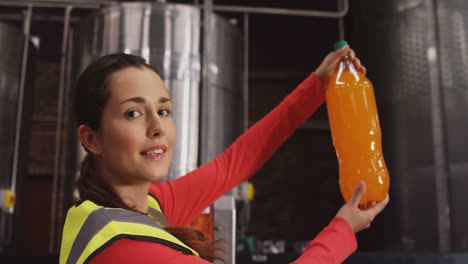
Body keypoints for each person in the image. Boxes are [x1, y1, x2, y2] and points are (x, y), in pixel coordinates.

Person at [59, 44, 389, 264]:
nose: (157, 127)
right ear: (92, 139)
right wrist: (343, 229)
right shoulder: (129, 249)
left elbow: (234, 163)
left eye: (164, 111)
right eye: (133, 113)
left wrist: (319, 85)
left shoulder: (122, 212)